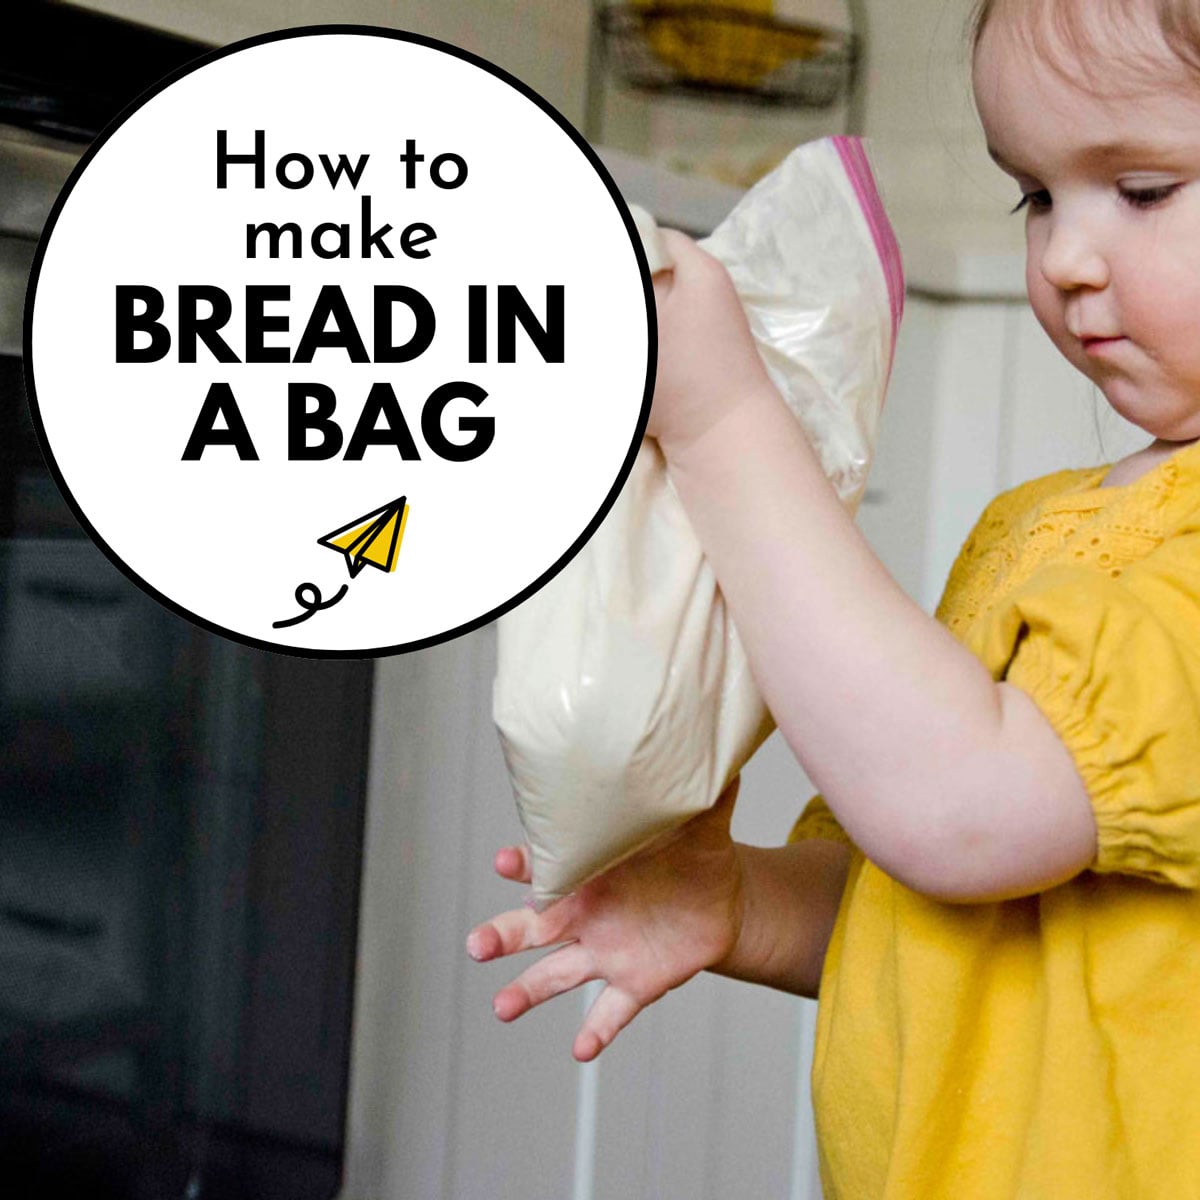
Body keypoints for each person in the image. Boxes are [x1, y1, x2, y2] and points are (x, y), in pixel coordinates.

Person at [467, 0, 1200, 1193]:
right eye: (1037, 196)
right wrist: (742, 903)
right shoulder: (1039, 526)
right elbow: (931, 896)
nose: (1066, 256)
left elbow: (966, 813)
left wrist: (721, 422)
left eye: (1145, 189)